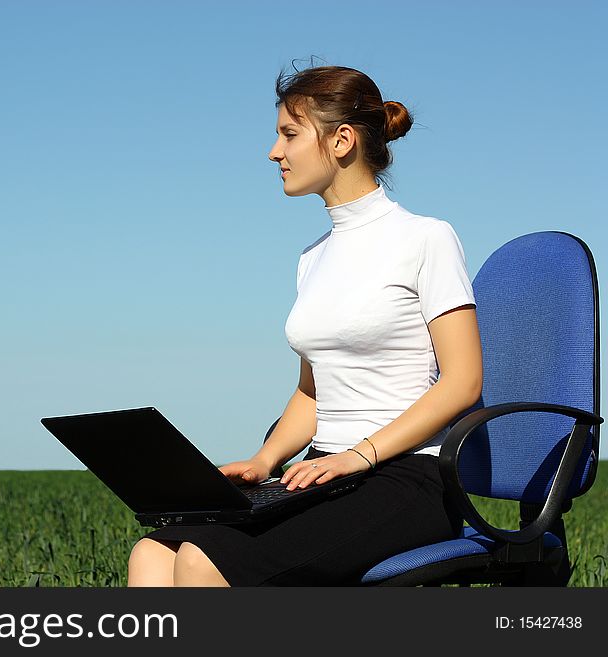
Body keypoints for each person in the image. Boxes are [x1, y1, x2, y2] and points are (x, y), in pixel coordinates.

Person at [127, 64, 483, 586]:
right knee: (153, 554)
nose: (274, 151)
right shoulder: (311, 258)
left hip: (405, 477)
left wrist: (358, 456)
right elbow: (312, 393)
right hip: (318, 474)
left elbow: (463, 381)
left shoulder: (425, 239)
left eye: (289, 134)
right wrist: (265, 459)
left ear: (341, 141)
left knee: (204, 561)